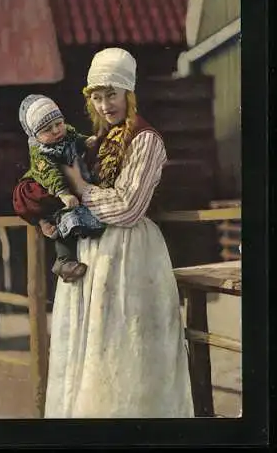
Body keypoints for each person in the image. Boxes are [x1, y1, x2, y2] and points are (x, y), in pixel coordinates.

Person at [14, 48, 194, 418]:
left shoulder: (145, 140)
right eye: (96, 96)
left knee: (125, 352)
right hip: (92, 255)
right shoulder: (95, 140)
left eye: (111, 93)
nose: (104, 104)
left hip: (131, 255)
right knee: (91, 350)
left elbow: (128, 206)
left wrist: (80, 187)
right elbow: (41, 179)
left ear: (128, 92)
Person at [14, 94, 106, 283]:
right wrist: (63, 193)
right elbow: (50, 175)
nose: (56, 130)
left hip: (74, 188)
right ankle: (64, 262)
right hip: (51, 190)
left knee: (78, 221)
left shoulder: (66, 133)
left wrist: (85, 141)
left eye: (59, 123)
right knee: (65, 223)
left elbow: (75, 138)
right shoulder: (42, 154)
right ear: (36, 135)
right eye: (48, 129)